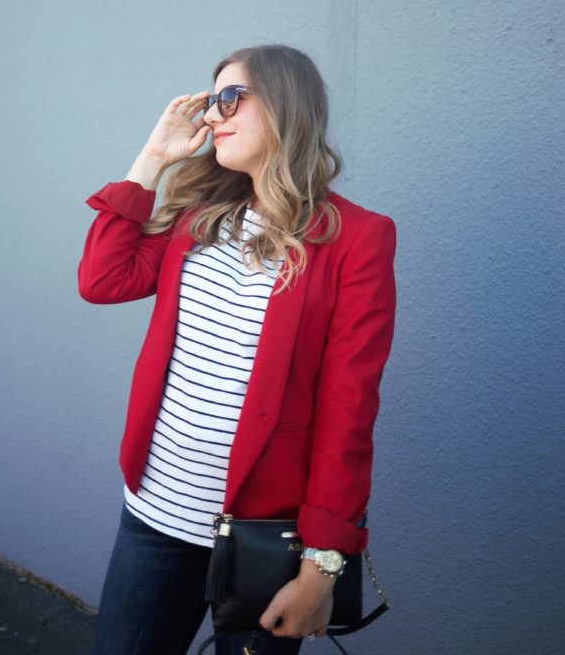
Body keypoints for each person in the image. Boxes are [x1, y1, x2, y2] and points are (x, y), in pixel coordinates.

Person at [78, 44, 396, 655]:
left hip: (264, 535)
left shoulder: (356, 238)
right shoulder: (199, 219)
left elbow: (348, 410)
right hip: (154, 514)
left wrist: (322, 565)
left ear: (284, 106)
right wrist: (152, 156)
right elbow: (101, 280)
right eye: (211, 97)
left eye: (231, 97)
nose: (214, 114)